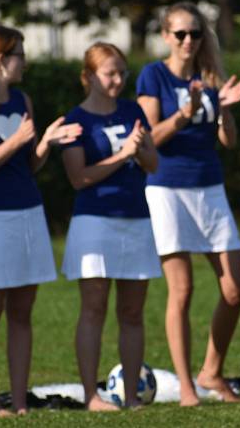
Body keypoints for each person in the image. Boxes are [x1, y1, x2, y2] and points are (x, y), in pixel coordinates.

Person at [0, 24, 81, 416]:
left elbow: (28, 165)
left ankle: (21, 401)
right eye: (19, 55)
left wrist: (44, 143)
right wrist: (16, 140)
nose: (25, 62)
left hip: (29, 213)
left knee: (23, 312)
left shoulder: (23, 99)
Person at [136, 2, 240, 406]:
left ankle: (211, 371)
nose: (188, 41)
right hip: (167, 188)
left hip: (209, 188)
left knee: (236, 290)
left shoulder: (210, 77)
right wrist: (183, 114)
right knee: (180, 291)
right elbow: (149, 137)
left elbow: (228, 141)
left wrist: (227, 112)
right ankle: (187, 388)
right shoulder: (154, 75)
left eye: (195, 33)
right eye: (180, 34)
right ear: (166, 36)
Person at [60, 42, 160, 410]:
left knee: (132, 313)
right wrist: (123, 154)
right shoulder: (76, 119)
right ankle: (91, 396)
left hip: (136, 220)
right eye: (110, 73)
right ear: (88, 77)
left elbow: (153, 164)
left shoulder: (134, 110)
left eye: (122, 72)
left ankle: (131, 395)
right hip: (94, 223)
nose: (118, 80)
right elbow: (78, 177)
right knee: (94, 309)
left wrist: (141, 149)